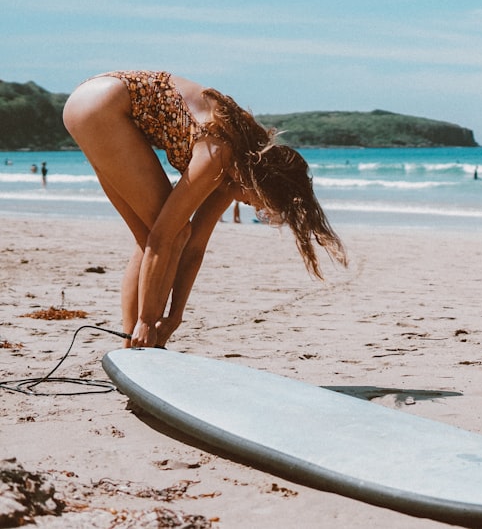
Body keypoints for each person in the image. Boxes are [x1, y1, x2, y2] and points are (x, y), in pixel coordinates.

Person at [63, 70, 347, 349]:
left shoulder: (235, 171)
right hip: (102, 105)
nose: (251, 205)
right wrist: (148, 320)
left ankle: (133, 348)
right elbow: (164, 238)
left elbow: (195, 249)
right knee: (169, 232)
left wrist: (175, 317)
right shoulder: (220, 152)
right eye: (260, 202)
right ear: (261, 184)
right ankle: (141, 338)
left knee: (151, 236)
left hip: (92, 103)